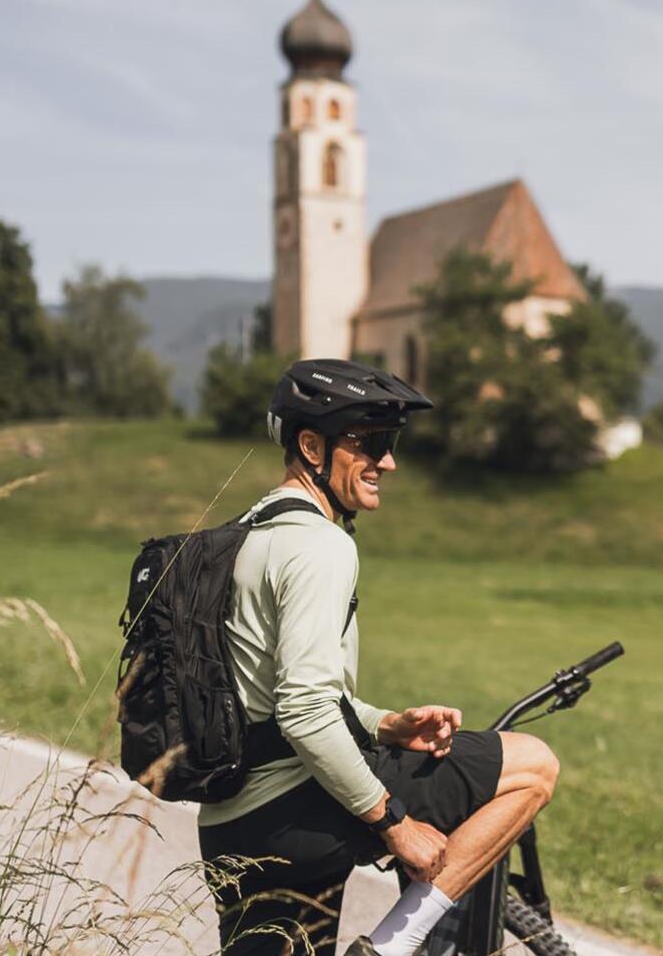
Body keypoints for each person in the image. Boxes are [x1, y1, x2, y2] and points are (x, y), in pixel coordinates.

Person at [196, 359, 561, 956]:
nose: (387, 462)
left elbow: (273, 694)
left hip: (230, 827)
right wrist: (395, 824)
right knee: (531, 765)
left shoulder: (248, 532)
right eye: (370, 443)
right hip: (295, 810)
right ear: (311, 446)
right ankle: (392, 946)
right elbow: (304, 711)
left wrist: (387, 725)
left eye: (390, 443)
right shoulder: (321, 546)